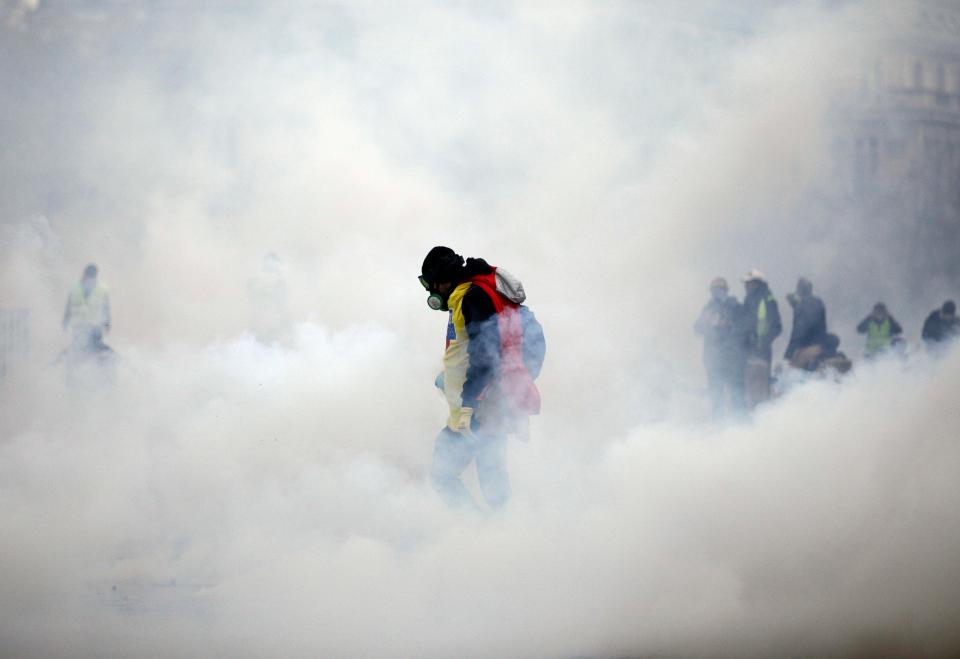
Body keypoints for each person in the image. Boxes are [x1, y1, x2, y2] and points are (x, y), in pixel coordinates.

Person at [419, 246, 544, 511]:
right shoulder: (475, 292)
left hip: (478, 409)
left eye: (431, 286)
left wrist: (469, 401)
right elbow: (476, 348)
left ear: (442, 279)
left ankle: (480, 532)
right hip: (493, 404)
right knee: (493, 478)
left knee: (443, 475)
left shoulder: (472, 297)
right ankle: (503, 537)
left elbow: (486, 355)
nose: (432, 294)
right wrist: (451, 379)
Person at [693, 277, 743, 418]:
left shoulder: (734, 306)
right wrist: (708, 322)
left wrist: (727, 324)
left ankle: (740, 423)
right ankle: (718, 424)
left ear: (725, 290)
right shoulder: (708, 308)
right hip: (713, 358)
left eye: (718, 290)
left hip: (731, 356)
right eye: (714, 290)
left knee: (735, 391)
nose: (716, 293)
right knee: (716, 391)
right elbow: (697, 328)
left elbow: (744, 327)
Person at [738, 269, 781, 409]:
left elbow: (777, 326)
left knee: (761, 384)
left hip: (761, 350)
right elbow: (743, 323)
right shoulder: (748, 300)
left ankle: (763, 414)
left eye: (749, 283)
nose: (746, 286)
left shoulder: (768, 299)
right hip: (748, 349)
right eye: (746, 284)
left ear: (757, 283)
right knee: (749, 384)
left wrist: (762, 343)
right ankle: (751, 413)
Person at [63, 263, 111, 352]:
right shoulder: (75, 288)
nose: (90, 279)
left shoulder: (102, 289)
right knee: (79, 349)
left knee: (95, 349)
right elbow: (68, 307)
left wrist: (107, 324)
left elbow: (106, 309)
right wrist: (65, 322)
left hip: (95, 327)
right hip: (80, 327)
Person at [784, 277, 828, 371]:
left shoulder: (803, 305)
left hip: (808, 348)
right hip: (819, 345)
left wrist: (790, 352)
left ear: (800, 291)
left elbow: (800, 329)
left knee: (793, 372)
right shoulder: (817, 302)